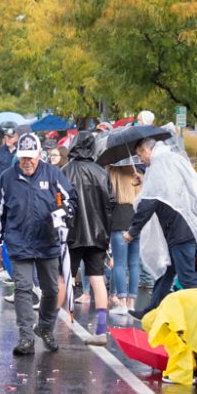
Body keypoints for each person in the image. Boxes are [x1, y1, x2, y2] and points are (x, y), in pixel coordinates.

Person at [0, 132, 75, 356]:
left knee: (51, 289)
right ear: (18, 156)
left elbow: (70, 200)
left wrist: (63, 212)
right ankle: (26, 336)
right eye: (23, 157)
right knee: (23, 288)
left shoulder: (53, 174)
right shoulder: (8, 178)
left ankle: (45, 327)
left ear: (39, 154)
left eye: (31, 157)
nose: (27, 162)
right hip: (18, 241)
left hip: (48, 241)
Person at [126, 138, 197, 320]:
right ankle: (151, 311)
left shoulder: (160, 164)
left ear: (147, 150)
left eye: (140, 155)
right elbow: (167, 189)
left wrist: (133, 230)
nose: (141, 159)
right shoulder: (167, 160)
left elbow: (151, 200)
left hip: (180, 230)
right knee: (165, 272)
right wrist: (146, 180)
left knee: (187, 277)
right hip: (181, 227)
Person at [62, 132, 116, 346]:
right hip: (97, 234)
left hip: (71, 234)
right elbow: (111, 204)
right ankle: (101, 329)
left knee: (63, 279)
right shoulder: (102, 173)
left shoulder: (65, 172)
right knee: (97, 278)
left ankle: (55, 324)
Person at [107, 164, 142, 315]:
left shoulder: (112, 173)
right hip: (136, 220)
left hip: (119, 220)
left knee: (119, 264)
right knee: (134, 264)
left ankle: (121, 303)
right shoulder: (136, 172)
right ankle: (131, 303)